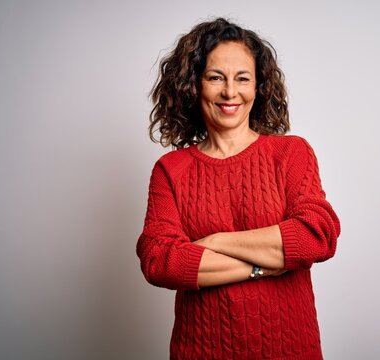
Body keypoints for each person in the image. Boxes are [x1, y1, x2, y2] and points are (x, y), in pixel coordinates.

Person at [137, 17, 341, 360]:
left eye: (242, 78)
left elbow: (315, 236)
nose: (230, 92)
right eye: (216, 77)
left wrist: (215, 243)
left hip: (289, 350)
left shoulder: (290, 153)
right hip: (200, 351)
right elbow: (161, 260)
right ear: (193, 85)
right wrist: (262, 266)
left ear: (258, 87)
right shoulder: (170, 171)